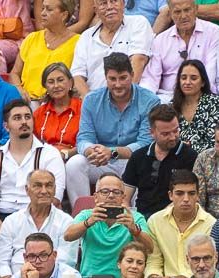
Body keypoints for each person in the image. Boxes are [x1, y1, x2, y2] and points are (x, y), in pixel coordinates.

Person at [66, 53, 161, 204]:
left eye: (123, 78)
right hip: (101, 160)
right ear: (106, 77)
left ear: (132, 75)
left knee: (148, 164)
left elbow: (146, 143)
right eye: (112, 79)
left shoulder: (150, 101)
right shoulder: (91, 100)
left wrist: (112, 152)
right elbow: (84, 138)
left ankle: (135, 218)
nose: (118, 84)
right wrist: (93, 151)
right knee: (75, 164)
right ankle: (84, 215)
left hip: (133, 160)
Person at [0, 98, 68, 240]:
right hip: (1, 217)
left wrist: (29, 223)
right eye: (17, 118)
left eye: (27, 117)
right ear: (6, 126)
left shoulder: (50, 154)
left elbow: (55, 196)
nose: (24, 122)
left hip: (38, 216)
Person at [63, 173, 152, 278]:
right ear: (95, 197)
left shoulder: (134, 217)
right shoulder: (87, 215)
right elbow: (67, 236)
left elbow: (150, 248)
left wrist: (134, 230)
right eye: (105, 192)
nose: (111, 196)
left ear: (123, 197)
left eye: (116, 192)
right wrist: (88, 222)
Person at [0, 170, 78, 278]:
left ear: (55, 189)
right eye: (37, 186)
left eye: (49, 185)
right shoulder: (11, 221)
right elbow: (1, 262)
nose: (44, 191)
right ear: (27, 190)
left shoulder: (66, 222)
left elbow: (65, 262)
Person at [123, 105, 199, 219]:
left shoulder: (190, 156)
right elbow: (125, 198)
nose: (173, 137)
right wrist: (130, 218)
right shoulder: (138, 157)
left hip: (174, 217)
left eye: (175, 130)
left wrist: (159, 219)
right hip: (142, 218)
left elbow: (192, 196)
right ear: (152, 132)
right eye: (166, 134)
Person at [145, 170, 216, 278]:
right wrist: (154, 277)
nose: (186, 199)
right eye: (179, 193)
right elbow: (154, 260)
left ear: (198, 195)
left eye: (191, 193)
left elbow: (207, 265)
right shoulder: (155, 221)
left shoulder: (211, 223)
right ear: (170, 195)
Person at [143, 0, 219, 101]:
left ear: (195, 9)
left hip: (202, 95)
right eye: (177, 12)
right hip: (167, 98)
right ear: (170, 14)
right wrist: (145, 99)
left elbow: (210, 73)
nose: (183, 16)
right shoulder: (160, 40)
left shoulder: (213, 32)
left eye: (187, 10)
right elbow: (151, 78)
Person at [69, 0, 154, 93]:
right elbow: (77, 75)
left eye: (114, 1)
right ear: (95, 10)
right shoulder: (86, 36)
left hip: (127, 96)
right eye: (103, 3)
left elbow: (138, 61)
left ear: (123, 3)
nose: (109, 7)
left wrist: (123, 97)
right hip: (93, 98)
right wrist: (90, 101)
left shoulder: (138, 23)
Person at [12, 0, 80, 100]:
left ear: (64, 15)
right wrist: (19, 89)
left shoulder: (78, 42)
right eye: (43, 8)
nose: (42, 13)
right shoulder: (31, 38)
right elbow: (14, 73)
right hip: (28, 102)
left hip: (59, 103)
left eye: (49, 10)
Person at [31, 62, 83, 168]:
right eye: (50, 82)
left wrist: (66, 154)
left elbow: (88, 142)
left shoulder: (83, 109)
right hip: (43, 161)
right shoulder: (39, 113)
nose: (56, 86)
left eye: (60, 80)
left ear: (70, 83)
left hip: (73, 159)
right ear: (45, 86)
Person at [173, 59, 219, 153]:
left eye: (193, 78)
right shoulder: (172, 106)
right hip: (177, 160)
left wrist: (187, 150)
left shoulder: (215, 103)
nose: (187, 82)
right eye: (183, 78)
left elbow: (217, 141)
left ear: (203, 82)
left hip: (207, 160)